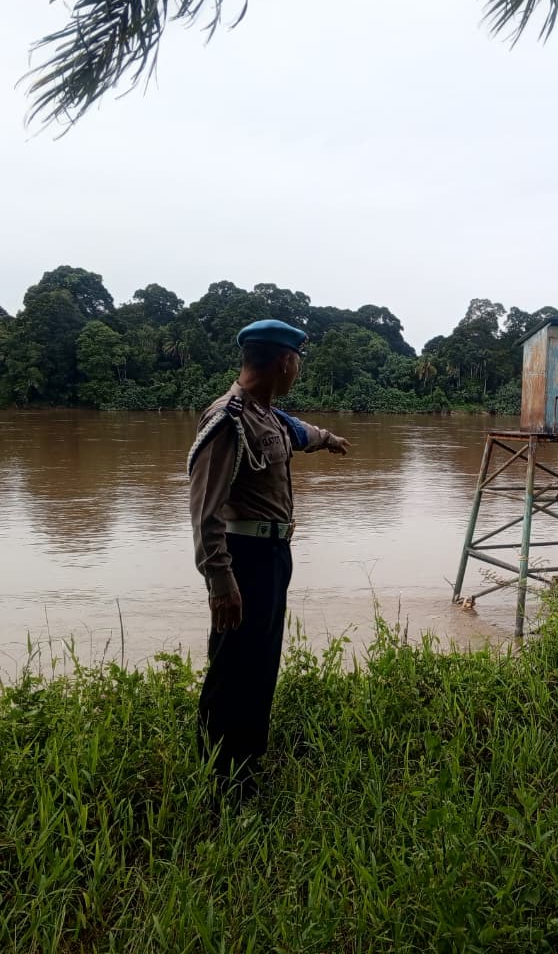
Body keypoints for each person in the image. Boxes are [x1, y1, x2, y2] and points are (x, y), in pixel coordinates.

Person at [187, 318, 350, 796]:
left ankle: (247, 765)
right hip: (243, 559)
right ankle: (221, 780)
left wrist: (329, 438)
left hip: (272, 554)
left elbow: (299, 433)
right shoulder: (227, 420)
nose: (297, 369)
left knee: (260, 664)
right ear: (285, 362)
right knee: (233, 668)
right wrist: (221, 581)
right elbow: (204, 513)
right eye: (297, 360)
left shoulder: (267, 415)